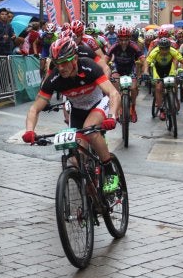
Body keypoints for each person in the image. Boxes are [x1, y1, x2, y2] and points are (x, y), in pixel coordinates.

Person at [21, 37, 122, 193]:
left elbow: (113, 93)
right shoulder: (54, 79)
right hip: (78, 111)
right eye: (57, 63)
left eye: (65, 62)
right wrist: (29, 131)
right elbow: (34, 109)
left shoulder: (89, 67)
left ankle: (110, 172)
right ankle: (91, 193)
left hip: (98, 104)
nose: (61, 68)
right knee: (76, 158)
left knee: (91, 130)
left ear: (74, 58)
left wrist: (112, 116)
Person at [106, 26, 145, 123]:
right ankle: (119, 108)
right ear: (118, 39)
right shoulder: (114, 46)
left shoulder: (134, 46)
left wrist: (146, 71)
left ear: (129, 39)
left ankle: (133, 108)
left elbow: (144, 60)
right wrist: (103, 72)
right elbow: (105, 60)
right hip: (118, 68)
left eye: (126, 40)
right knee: (115, 84)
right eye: (121, 40)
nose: (124, 42)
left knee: (133, 88)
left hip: (130, 69)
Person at [144, 37, 183, 121]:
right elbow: (147, 61)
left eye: (166, 48)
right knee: (158, 87)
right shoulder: (155, 51)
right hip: (158, 69)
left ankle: (174, 98)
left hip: (168, 68)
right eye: (162, 49)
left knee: (174, 82)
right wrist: (146, 72)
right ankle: (161, 110)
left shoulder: (172, 51)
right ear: (159, 47)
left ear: (169, 47)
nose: (164, 51)